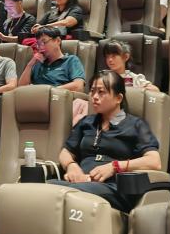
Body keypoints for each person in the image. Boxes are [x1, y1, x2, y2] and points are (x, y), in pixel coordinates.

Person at [51, 70, 161, 211]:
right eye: (92, 91)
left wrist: (114, 167)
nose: (94, 97)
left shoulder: (136, 125)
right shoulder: (87, 122)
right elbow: (66, 152)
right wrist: (72, 166)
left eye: (101, 92)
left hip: (113, 187)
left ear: (118, 98)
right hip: (80, 183)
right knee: (43, 186)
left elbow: (154, 161)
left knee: (66, 193)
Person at [18, 27, 85, 91]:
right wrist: (30, 65)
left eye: (44, 42)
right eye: (38, 44)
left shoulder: (71, 60)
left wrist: (49, 92)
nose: (41, 47)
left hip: (57, 97)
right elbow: (21, 89)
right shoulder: (37, 62)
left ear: (58, 41)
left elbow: (78, 86)